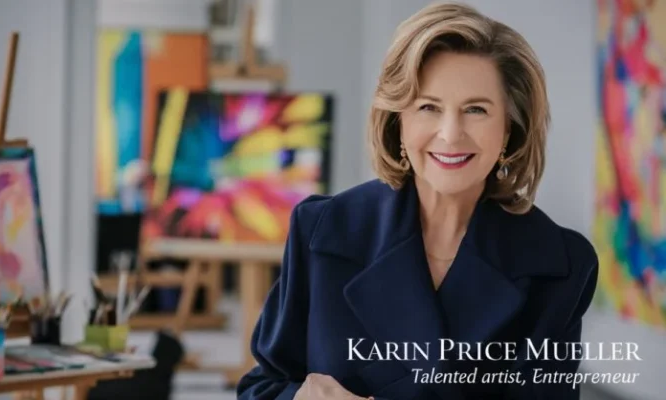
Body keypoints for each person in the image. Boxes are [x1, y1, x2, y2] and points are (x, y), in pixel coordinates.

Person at [237, 2, 598, 399]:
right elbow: (262, 386)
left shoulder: (558, 265)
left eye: (475, 109)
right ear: (398, 119)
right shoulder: (323, 231)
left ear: (510, 130)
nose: (450, 133)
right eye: (428, 107)